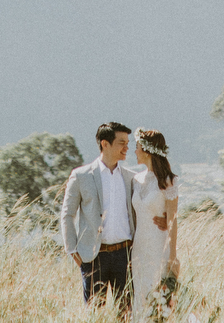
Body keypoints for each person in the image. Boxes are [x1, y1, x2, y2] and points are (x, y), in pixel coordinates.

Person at [60, 122, 137, 309]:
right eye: (121, 143)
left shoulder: (130, 177)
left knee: (125, 314)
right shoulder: (80, 176)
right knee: (95, 315)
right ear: (105, 143)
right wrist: (72, 250)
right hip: (94, 257)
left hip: (125, 256)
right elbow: (67, 214)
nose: (127, 147)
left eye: (128, 142)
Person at [130, 128, 181, 308]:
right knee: (140, 299)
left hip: (159, 248)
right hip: (139, 249)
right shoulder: (135, 179)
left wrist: (172, 256)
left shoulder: (168, 181)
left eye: (137, 147)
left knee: (159, 299)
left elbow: (173, 220)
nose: (134, 151)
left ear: (146, 150)